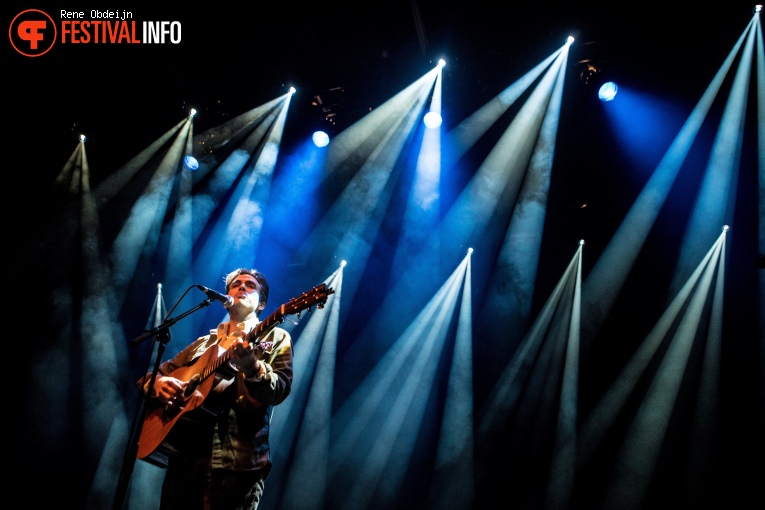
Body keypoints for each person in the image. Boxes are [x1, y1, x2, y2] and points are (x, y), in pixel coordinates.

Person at [137, 268, 293, 510]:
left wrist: (252, 368)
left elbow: (279, 390)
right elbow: (151, 376)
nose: (242, 287)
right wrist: (157, 384)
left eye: (250, 285)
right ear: (224, 301)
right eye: (236, 284)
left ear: (262, 304)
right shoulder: (204, 344)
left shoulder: (275, 336)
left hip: (236, 465)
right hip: (184, 460)